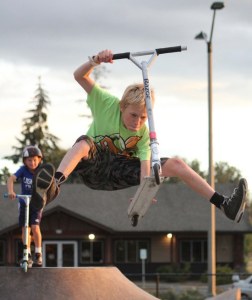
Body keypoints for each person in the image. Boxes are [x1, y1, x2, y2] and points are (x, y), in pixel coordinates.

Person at [31, 49, 248, 224]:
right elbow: (79, 76)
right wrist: (96, 60)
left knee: (176, 164)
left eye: (143, 117)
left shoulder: (144, 132)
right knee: (83, 143)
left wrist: (144, 192)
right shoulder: (105, 102)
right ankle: (53, 187)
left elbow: (145, 166)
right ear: (122, 106)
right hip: (94, 167)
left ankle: (224, 204)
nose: (138, 122)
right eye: (133, 115)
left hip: (121, 171)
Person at [7, 146, 54, 267]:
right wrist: (11, 191)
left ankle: (38, 254)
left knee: (35, 227)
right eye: (29, 160)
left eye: (34, 160)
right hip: (24, 202)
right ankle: (26, 253)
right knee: (25, 228)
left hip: (37, 203)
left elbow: (51, 184)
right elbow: (11, 179)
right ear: (24, 161)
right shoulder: (23, 170)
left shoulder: (42, 171)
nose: (32, 163)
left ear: (39, 160)